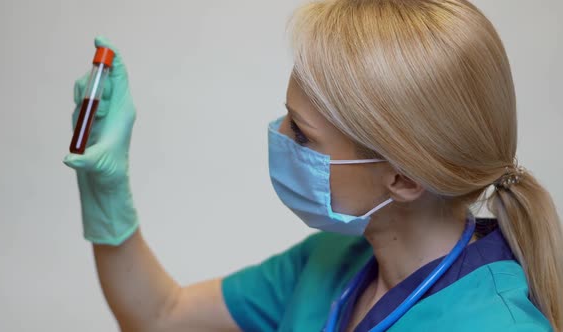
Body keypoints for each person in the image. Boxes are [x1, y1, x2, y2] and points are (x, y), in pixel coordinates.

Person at [63, 0, 563, 331]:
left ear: (404, 178)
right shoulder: (329, 263)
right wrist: (105, 189)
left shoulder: (496, 324)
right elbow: (161, 315)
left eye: (302, 134)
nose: (280, 136)